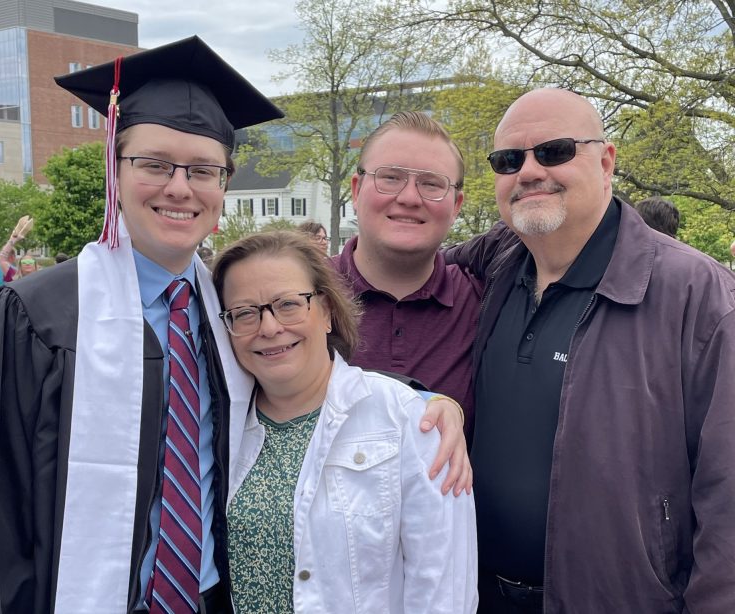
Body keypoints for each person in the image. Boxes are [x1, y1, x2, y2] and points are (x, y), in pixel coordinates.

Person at [0, 37, 467, 614]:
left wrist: (425, 404)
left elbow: (305, 382)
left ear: (224, 185)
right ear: (115, 168)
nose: (180, 187)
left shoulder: (227, 314)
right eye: (154, 164)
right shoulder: (36, 317)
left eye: (203, 169)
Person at [446, 88, 735, 612]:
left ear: (606, 162)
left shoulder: (696, 293)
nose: (529, 171)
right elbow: (409, 261)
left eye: (554, 151)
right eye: (508, 160)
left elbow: (728, 492)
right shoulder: (500, 263)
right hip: (480, 593)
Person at [212, 230, 478, 613]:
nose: (268, 327)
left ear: (326, 311)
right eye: (244, 313)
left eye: (288, 305)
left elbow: (444, 589)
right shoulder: (222, 429)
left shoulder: (408, 421)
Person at [333, 111, 483, 431]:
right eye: (390, 177)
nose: (410, 198)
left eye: (431, 184)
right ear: (357, 190)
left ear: (456, 205)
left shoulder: (486, 303)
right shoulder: (299, 297)